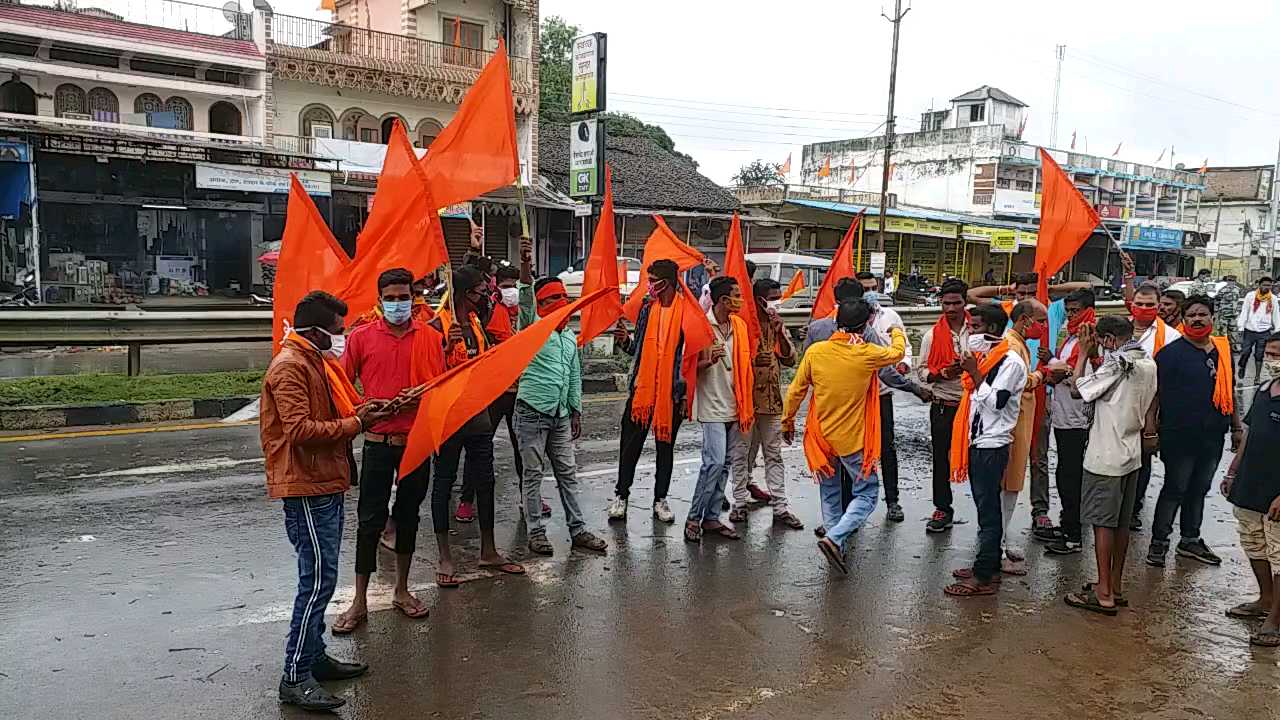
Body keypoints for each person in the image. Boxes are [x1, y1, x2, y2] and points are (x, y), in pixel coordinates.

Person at [261, 291, 389, 711]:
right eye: (337, 331)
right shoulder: (290, 368)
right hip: (305, 488)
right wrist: (356, 424)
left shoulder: (315, 362)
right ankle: (295, 675)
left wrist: (363, 413)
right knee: (316, 582)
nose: (342, 337)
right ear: (315, 332)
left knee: (323, 579)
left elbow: (334, 415)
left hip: (324, 483)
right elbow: (300, 431)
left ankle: (314, 658)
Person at [332, 269, 443, 635]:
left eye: (404, 296)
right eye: (391, 297)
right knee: (369, 521)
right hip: (378, 443)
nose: (398, 303)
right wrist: (365, 407)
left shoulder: (430, 337)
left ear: (415, 296)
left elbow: (443, 387)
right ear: (380, 300)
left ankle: (402, 589)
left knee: (408, 516)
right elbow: (343, 388)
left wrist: (421, 393)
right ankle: (359, 600)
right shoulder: (362, 338)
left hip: (415, 442)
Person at [783, 298, 907, 573]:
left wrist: (787, 421)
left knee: (830, 492)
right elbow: (897, 353)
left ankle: (835, 544)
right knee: (867, 493)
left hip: (821, 437)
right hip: (852, 438)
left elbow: (795, 391)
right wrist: (896, 331)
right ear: (865, 326)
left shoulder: (816, 352)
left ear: (837, 322)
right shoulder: (867, 353)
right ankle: (835, 537)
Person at [968, 273, 1087, 542]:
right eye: (1042, 322)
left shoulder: (1015, 342)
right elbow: (1002, 394)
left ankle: (999, 543)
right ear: (1024, 320)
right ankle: (993, 551)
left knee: (1027, 468)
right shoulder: (1011, 348)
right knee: (1005, 484)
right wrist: (1043, 375)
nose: (1045, 327)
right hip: (1005, 425)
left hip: (1015, 418)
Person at [429, 265, 525, 586]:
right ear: (463, 293)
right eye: (481, 293)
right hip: (448, 419)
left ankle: (489, 550)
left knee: (486, 481)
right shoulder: (438, 324)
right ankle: (445, 556)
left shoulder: (474, 323)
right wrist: (443, 346)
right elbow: (428, 373)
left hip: (478, 416)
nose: (485, 298)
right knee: (443, 484)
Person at [806, 278, 929, 528]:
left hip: (829, 404)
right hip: (867, 403)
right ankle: (851, 516)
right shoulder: (863, 329)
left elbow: (804, 374)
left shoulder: (817, 328)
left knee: (844, 458)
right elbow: (886, 369)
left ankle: (840, 519)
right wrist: (915, 388)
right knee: (870, 454)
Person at [513, 237, 607, 555]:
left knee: (567, 473)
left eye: (563, 298)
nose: (561, 303)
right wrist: (525, 264)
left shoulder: (568, 335)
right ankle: (536, 532)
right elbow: (525, 298)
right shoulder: (531, 327)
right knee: (533, 475)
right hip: (531, 411)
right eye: (552, 299)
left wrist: (575, 409)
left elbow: (574, 375)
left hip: (560, 416)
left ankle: (578, 529)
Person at [1063, 316, 1157, 615]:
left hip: (1106, 453)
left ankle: (1103, 593)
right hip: (1131, 452)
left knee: (1103, 524)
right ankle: (1113, 585)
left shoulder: (1117, 363)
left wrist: (1080, 355)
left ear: (1108, 340)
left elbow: (1079, 390)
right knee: (1121, 525)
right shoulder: (1147, 362)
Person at [1146, 294, 1243, 568]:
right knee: (1175, 488)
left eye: (1202, 314)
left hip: (1213, 435)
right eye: (1192, 315)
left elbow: (1230, 391)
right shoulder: (1170, 354)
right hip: (1178, 435)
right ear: (1184, 319)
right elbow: (1155, 394)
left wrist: (1236, 427)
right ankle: (1159, 543)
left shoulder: (1222, 352)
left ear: (1212, 318)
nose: (1197, 319)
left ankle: (1190, 539)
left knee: (1199, 488)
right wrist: (1151, 429)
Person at [944, 303, 1028, 597]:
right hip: (978, 441)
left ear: (992, 329)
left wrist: (974, 373)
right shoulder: (988, 357)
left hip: (992, 445)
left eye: (976, 327)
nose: (972, 332)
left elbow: (996, 402)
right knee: (985, 509)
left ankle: (983, 577)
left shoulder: (1010, 362)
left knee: (989, 512)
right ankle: (987, 563)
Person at [611, 259, 693, 523]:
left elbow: (689, 357)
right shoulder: (648, 309)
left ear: (665, 282)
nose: (649, 286)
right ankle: (621, 496)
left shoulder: (687, 312)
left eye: (653, 280)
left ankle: (661, 499)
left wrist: (684, 394)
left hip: (670, 394)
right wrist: (625, 342)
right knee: (629, 447)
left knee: (665, 448)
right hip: (642, 392)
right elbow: (639, 350)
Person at [729, 277, 803, 529]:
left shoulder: (776, 323)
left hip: (771, 403)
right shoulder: (743, 324)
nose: (776, 302)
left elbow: (791, 359)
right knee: (742, 455)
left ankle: (780, 507)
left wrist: (780, 331)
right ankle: (739, 503)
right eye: (772, 298)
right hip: (746, 403)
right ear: (759, 299)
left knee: (774, 455)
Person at [1221, 332, 1280, 647]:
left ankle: (1275, 620)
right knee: (1253, 543)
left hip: (1276, 492)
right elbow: (1249, 433)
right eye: (1268, 354)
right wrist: (1232, 472)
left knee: (1279, 552)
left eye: (1276, 355)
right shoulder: (1263, 390)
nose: (1271, 361)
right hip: (1250, 483)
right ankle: (1265, 599)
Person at [685, 276, 754, 542]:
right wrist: (707, 361)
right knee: (712, 463)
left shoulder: (739, 326)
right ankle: (694, 517)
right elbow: (687, 368)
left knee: (725, 464)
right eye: (736, 295)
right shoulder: (702, 327)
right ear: (723, 300)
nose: (740, 299)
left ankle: (712, 518)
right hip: (712, 406)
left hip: (737, 405)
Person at [1045, 288, 1098, 556]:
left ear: (1088, 310)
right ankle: (1068, 521)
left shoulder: (1091, 340)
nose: (1070, 315)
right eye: (1068, 310)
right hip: (1063, 413)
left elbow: (1086, 378)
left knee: (1071, 475)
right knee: (1064, 472)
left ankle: (1073, 534)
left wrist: (1055, 367)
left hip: (1078, 417)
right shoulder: (1071, 336)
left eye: (1076, 310)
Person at [1126, 279, 1181, 531]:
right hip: (1116, 406)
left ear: (1159, 307)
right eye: (1139, 303)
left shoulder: (1170, 337)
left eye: (1150, 304)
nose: (1144, 308)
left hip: (1150, 409)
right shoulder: (1119, 330)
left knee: (1142, 461)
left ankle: (1133, 507)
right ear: (1131, 304)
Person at [917, 279, 970, 533]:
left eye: (956, 303)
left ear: (965, 302)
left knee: (981, 460)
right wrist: (941, 374)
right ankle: (942, 508)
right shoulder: (931, 336)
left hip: (974, 405)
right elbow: (922, 372)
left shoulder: (978, 331)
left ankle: (988, 513)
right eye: (945, 303)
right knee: (940, 459)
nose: (950, 308)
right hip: (943, 404)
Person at [1237, 277, 1279, 383]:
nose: (1266, 287)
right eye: (1264, 285)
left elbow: (1276, 314)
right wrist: (1240, 326)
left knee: (1259, 354)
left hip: (1264, 331)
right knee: (1245, 352)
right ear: (1259, 285)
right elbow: (1244, 311)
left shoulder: (1273, 298)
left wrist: (1277, 329)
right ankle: (1242, 367)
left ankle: (1257, 377)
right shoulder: (1250, 296)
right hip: (1249, 329)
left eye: (1269, 285)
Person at [1216, 275, 1243, 341]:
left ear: (1235, 282)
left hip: (1233, 315)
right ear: (1227, 281)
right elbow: (1217, 301)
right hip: (1224, 315)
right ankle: (1222, 347)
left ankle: (1234, 349)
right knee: (1222, 332)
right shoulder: (1222, 290)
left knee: (1233, 333)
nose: (1231, 282)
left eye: (1233, 281)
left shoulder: (1237, 289)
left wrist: (1238, 312)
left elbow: (1238, 301)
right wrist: (1216, 313)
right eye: (1230, 280)